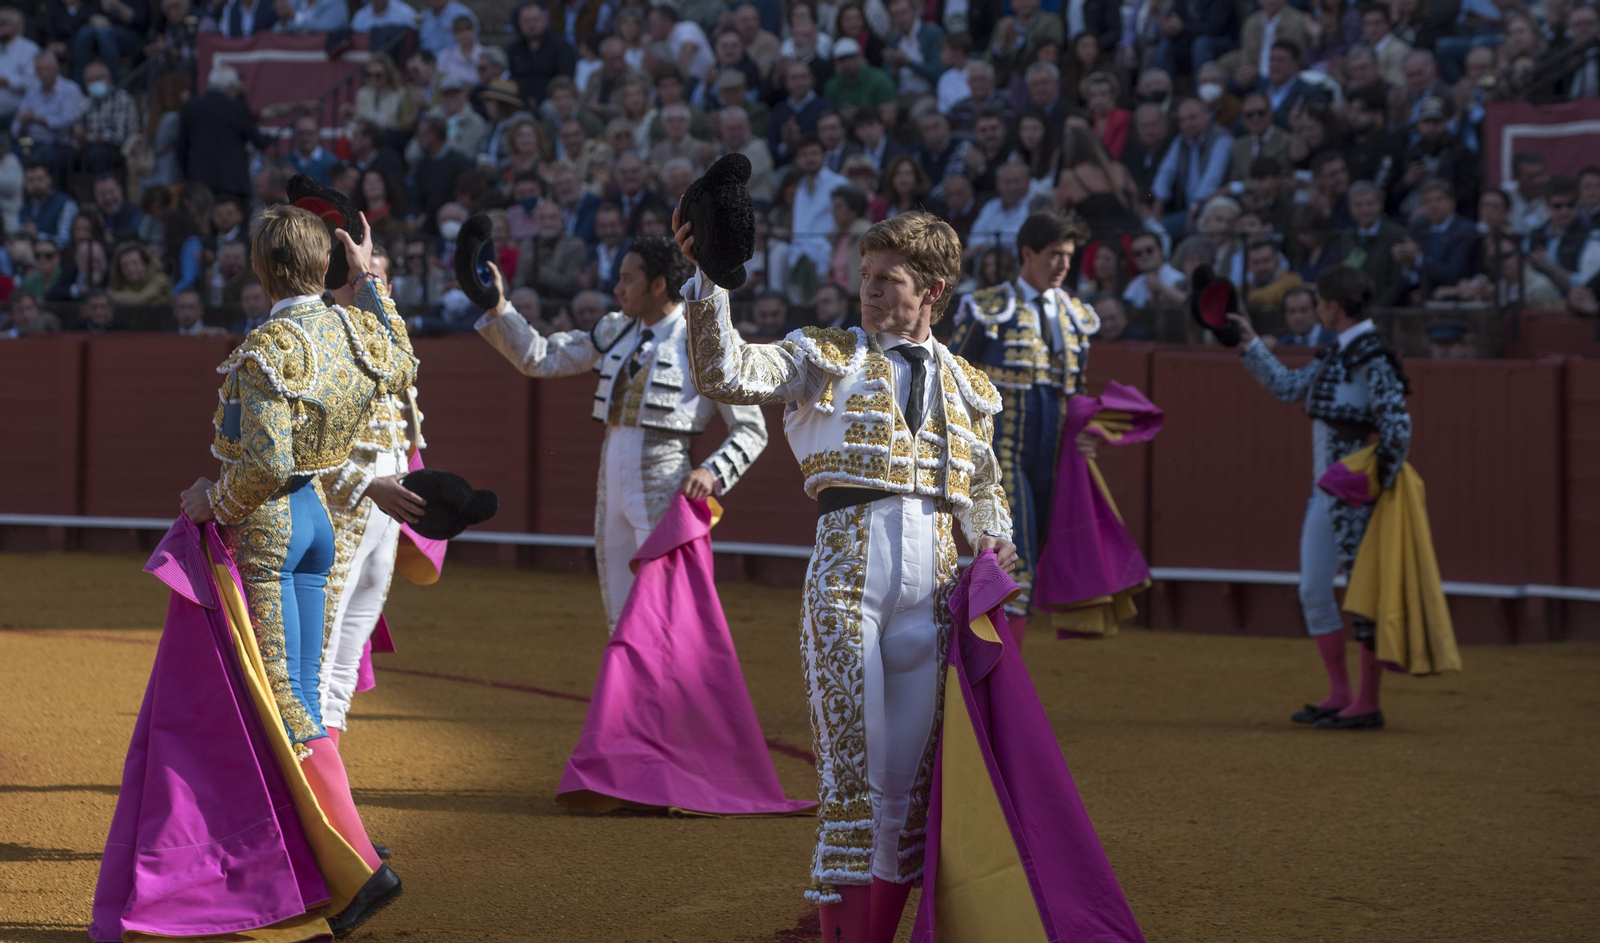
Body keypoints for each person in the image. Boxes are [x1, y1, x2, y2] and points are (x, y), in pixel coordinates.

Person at [676, 208, 1016, 939]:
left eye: (887, 279)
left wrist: (997, 536)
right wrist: (710, 281)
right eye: (865, 275)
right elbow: (725, 371)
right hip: (845, 586)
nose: (868, 289)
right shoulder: (823, 355)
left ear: (932, 290)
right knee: (851, 783)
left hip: (934, 598)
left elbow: (985, 482)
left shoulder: (969, 385)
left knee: (906, 796)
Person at [164, 205, 415, 937]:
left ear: (265, 269)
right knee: (302, 694)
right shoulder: (353, 331)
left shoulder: (268, 346)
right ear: (324, 266)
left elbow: (267, 463)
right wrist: (369, 282)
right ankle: (327, 852)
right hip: (319, 525)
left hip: (272, 528)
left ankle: (357, 865)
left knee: (284, 703)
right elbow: (402, 361)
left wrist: (213, 500)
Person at [476, 234, 767, 630]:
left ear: (657, 285)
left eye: (628, 279)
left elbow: (751, 429)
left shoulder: (705, 338)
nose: (617, 289)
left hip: (665, 483)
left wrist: (712, 471)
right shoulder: (617, 329)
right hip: (610, 481)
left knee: (666, 609)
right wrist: (498, 306)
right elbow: (541, 358)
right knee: (619, 610)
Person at [1227, 264, 1412, 731]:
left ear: (1332, 306)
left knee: (1364, 594)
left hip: (1356, 497)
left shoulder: (1374, 357)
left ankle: (1368, 702)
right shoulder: (1340, 353)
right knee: (1314, 588)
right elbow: (1288, 387)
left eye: (1320, 304)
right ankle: (1341, 693)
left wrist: (1373, 486)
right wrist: (1250, 343)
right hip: (1326, 494)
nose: (1318, 311)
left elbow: (1397, 431)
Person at [950, 211, 1099, 644]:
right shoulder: (988, 307)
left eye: (1068, 255)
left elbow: (1078, 391)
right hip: (1004, 453)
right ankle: (1001, 663)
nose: (1064, 265)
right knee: (1018, 555)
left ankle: (1005, 656)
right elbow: (953, 373)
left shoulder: (1074, 314)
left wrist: (1087, 433)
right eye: (1055, 255)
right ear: (1028, 254)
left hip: (1055, 455)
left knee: (1044, 549)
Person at [176, 65, 273, 204]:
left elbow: (181, 147)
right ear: (230, 88)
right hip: (231, 185)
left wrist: (188, 176)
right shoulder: (238, 108)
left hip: (199, 183)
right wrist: (271, 140)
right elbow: (258, 141)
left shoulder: (191, 107)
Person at [1151, 97, 1232, 241]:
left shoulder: (1221, 138)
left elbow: (1212, 179)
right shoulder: (1180, 141)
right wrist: (1158, 202)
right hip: (1188, 211)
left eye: (1192, 117)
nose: (1187, 124)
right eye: (1182, 120)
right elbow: (1165, 172)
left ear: (1207, 115)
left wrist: (1195, 207)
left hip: (1215, 208)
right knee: (1152, 230)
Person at [18, 160, 78, 247]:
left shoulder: (66, 204)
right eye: (30, 180)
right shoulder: (24, 206)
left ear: (49, 180)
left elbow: (65, 240)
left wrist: (38, 235)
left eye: (40, 179)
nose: (36, 184)